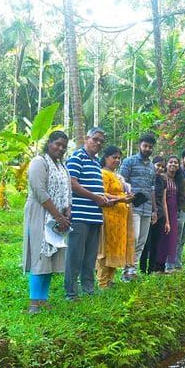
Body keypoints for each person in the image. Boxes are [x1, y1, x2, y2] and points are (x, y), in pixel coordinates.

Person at [22, 131, 72, 314]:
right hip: (40, 214)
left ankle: (43, 299)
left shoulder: (62, 166)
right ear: (49, 143)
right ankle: (34, 302)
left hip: (58, 217)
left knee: (51, 255)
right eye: (57, 144)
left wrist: (67, 213)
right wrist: (58, 216)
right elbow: (40, 192)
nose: (60, 148)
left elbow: (68, 192)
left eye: (64, 146)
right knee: (40, 254)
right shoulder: (39, 163)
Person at [64, 127, 109, 301]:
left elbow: (97, 189)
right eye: (95, 139)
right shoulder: (77, 157)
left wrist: (107, 199)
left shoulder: (96, 162)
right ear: (87, 138)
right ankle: (71, 293)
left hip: (95, 216)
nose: (98, 143)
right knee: (75, 256)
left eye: (101, 141)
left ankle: (89, 290)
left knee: (90, 258)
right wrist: (95, 197)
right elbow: (72, 184)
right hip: (80, 216)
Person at [119, 134, 157, 281]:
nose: (147, 149)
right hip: (132, 206)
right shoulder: (129, 162)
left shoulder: (152, 167)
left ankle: (132, 271)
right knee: (132, 238)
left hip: (147, 208)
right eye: (145, 146)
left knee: (141, 240)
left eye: (150, 147)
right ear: (139, 145)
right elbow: (121, 181)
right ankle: (126, 272)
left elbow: (152, 189)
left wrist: (154, 210)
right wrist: (128, 196)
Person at [96, 145, 135, 288]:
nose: (117, 160)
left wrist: (127, 196)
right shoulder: (103, 173)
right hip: (109, 216)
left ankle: (110, 280)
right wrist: (121, 199)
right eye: (114, 157)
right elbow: (101, 193)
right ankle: (102, 282)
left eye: (119, 158)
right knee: (106, 249)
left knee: (116, 247)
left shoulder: (116, 175)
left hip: (120, 219)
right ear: (106, 158)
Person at [156, 155, 184, 272]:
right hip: (163, 212)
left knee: (172, 238)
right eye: (171, 162)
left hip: (174, 212)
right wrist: (166, 219)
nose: (173, 164)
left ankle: (170, 266)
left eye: (176, 163)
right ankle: (158, 267)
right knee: (162, 238)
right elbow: (163, 200)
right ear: (167, 164)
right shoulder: (162, 178)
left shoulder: (177, 180)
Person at [140, 155, 165, 274]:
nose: (160, 168)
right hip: (146, 212)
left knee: (156, 243)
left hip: (160, 215)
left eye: (162, 166)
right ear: (152, 165)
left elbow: (164, 200)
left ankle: (151, 270)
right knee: (145, 243)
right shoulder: (148, 177)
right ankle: (142, 269)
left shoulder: (162, 180)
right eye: (158, 165)